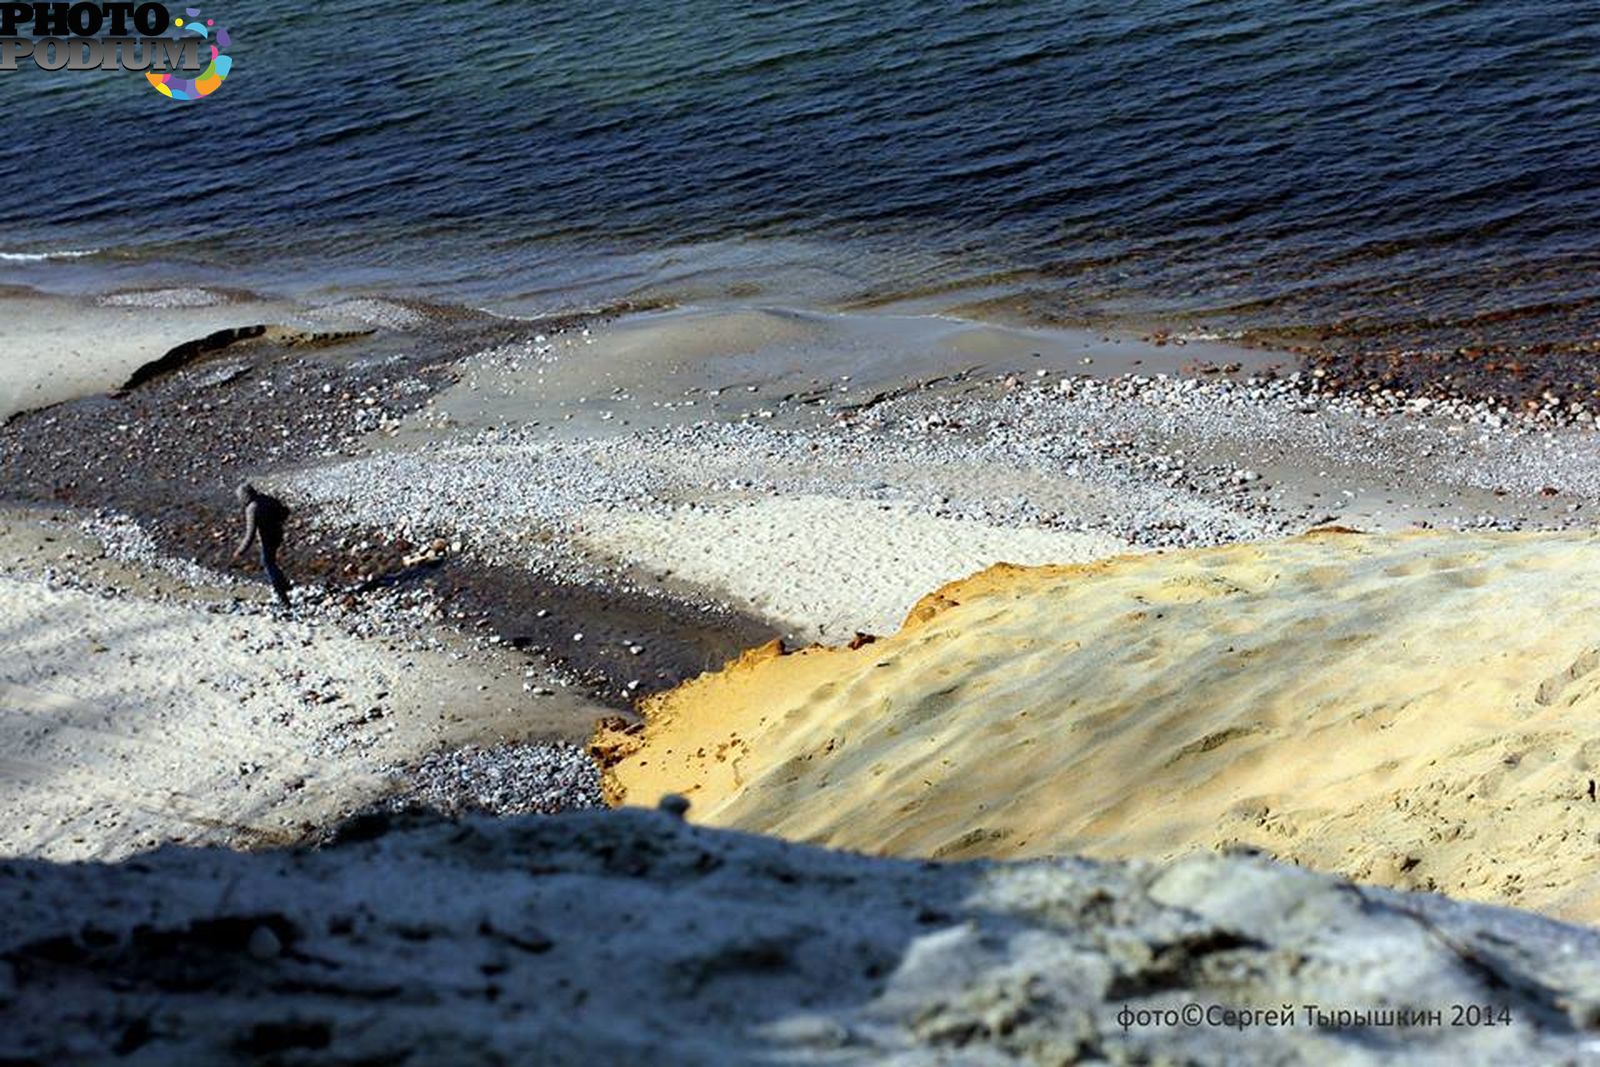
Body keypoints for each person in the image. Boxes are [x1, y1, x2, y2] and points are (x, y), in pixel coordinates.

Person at [231, 482, 292, 608]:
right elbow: (285, 511)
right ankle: (285, 585)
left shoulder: (252, 509)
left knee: (268, 564)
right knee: (272, 561)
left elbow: (250, 534)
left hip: (267, 539)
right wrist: (277, 522)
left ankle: (283, 597)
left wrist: (240, 551)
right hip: (278, 534)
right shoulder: (266, 499)